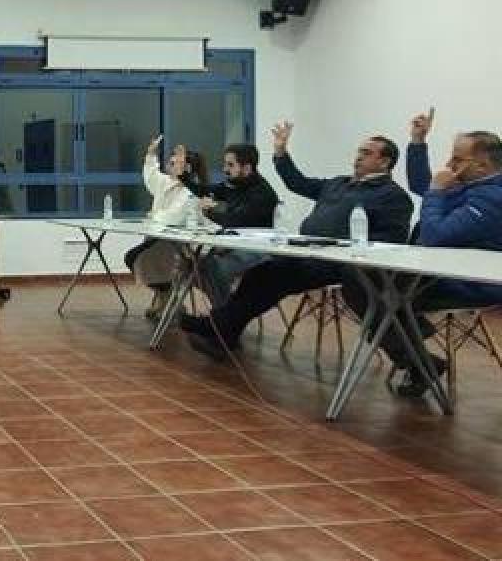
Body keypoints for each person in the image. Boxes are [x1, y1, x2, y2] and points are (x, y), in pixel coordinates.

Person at [180, 122, 414, 360]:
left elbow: (391, 241)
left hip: (338, 263)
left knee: (275, 277)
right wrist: (281, 152)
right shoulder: (338, 183)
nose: (358, 157)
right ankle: (224, 333)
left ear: (385, 162)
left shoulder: (392, 196)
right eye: (359, 151)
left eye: (366, 153)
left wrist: (348, 249)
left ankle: (216, 326)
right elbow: (297, 182)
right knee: (258, 274)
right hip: (306, 252)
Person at [372, 110, 502, 397]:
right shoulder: (472, 185)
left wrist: (435, 192)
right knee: (363, 282)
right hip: (436, 274)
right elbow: (423, 185)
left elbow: (434, 236)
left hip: (469, 284)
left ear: (482, 165)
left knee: (371, 291)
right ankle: (420, 358)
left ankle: (418, 360)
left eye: (457, 159)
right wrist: (418, 142)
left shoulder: (493, 197)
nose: (449, 165)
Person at [125, 136, 207, 319]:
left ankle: (168, 298)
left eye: (173, 163)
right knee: (134, 258)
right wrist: (151, 154)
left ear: (187, 169)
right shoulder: (167, 182)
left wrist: (153, 216)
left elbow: (174, 217)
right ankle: (165, 296)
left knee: (139, 258)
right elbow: (151, 177)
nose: (168, 166)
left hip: (180, 245)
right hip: (160, 240)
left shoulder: (192, 190)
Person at [194, 143, 280, 308]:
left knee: (213, 268)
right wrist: (183, 176)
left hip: (258, 249)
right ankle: (228, 308)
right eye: (225, 164)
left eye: (230, 165)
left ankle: (225, 314)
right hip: (235, 245)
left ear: (246, 168)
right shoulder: (235, 184)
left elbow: (235, 221)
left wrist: (209, 212)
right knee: (192, 267)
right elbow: (204, 190)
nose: (225, 169)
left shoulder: (263, 193)